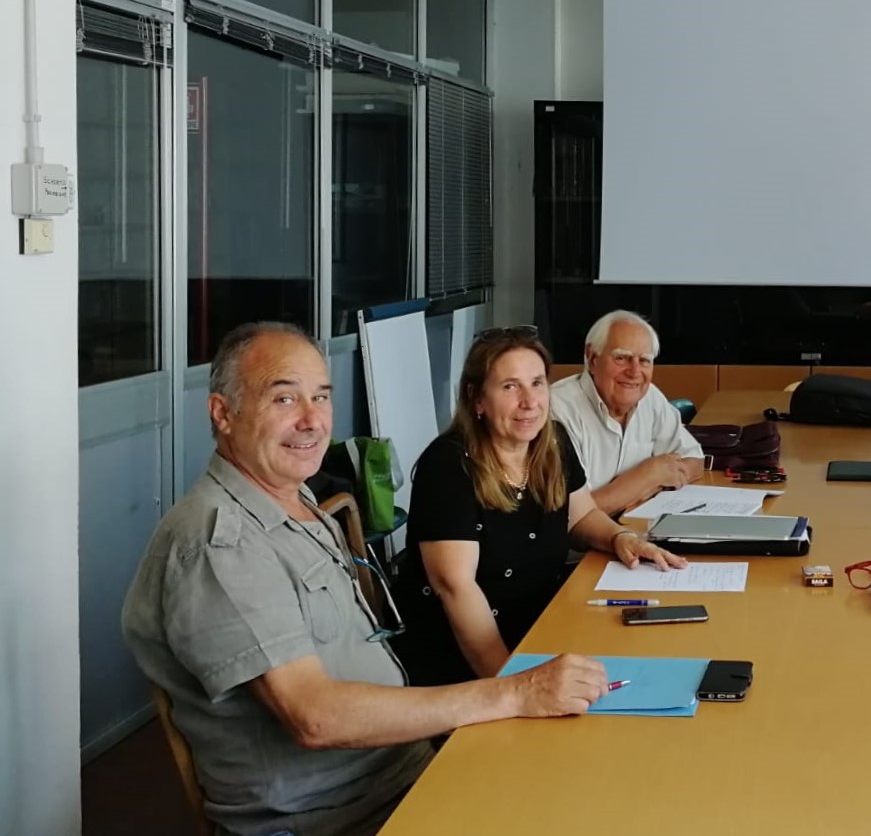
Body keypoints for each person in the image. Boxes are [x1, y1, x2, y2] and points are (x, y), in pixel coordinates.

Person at [122, 323, 612, 836]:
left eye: (321, 397)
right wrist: (511, 694)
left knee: (588, 789)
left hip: (397, 768)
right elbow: (315, 717)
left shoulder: (293, 498)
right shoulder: (219, 546)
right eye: (284, 398)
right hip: (332, 815)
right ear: (223, 414)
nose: (312, 421)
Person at [392, 326, 686, 685]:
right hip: (465, 658)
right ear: (477, 399)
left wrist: (620, 538)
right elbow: (456, 589)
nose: (530, 402)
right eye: (510, 387)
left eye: (537, 383)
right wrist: (512, 687)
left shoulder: (552, 442)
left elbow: (581, 517)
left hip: (541, 625)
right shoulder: (449, 466)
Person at [550, 310, 707, 515]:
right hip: (581, 545)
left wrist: (652, 482)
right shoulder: (558, 410)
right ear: (592, 357)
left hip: (633, 527)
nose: (634, 372)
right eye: (621, 358)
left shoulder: (649, 396)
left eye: (644, 360)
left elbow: (695, 460)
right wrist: (647, 476)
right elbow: (570, 514)